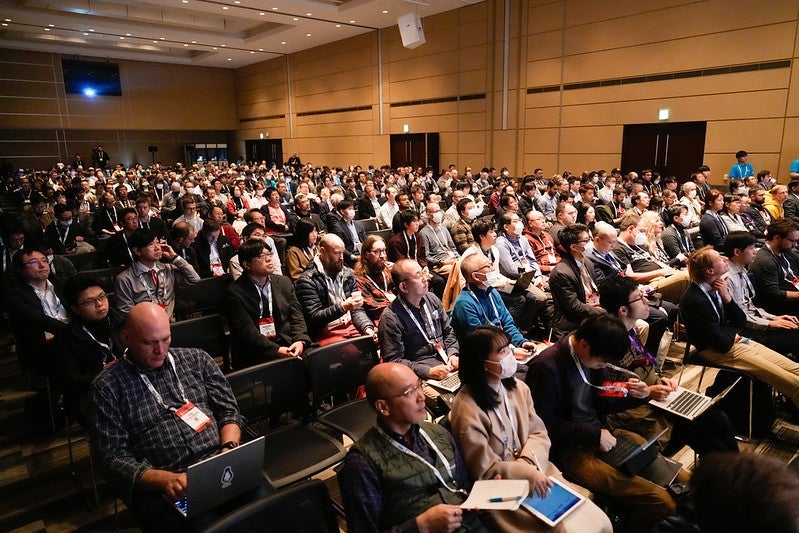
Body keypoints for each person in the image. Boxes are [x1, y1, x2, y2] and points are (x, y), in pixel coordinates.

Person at [89, 302, 251, 531]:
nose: (160, 350)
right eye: (150, 342)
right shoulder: (107, 387)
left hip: (219, 463)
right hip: (165, 482)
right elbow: (112, 457)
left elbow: (229, 411)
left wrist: (229, 449)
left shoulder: (197, 359)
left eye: (166, 339)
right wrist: (166, 480)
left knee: (269, 511)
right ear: (127, 338)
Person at [527, 314, 690, 533]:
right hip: (569, 450)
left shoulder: (592, 355)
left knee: (685, 479)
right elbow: (545, 425)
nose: (603, 365)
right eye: (602, 361)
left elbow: (600, 399)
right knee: (662, 501)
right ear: (583, 344)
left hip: (604, 434)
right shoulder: (546, 366)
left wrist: (636, 395)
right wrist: (594, 434)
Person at [450, 325, 612, 532]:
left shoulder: (517, 387)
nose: (510, 355)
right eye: (501, 351)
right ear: (481, 362)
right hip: (503, 489)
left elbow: (538, 432)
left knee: (600, 522)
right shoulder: (467, 409)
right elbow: (484, 471)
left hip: (537, 468)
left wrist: (528, 464)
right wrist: (523, 471)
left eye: (508, 348)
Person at [338, 362, 487, 533]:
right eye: (410, 392)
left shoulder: (438, 433)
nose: (421, 396)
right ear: (383, 407)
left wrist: (480, 500)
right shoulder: (362, 463)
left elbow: (462, 487)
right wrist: (419, 526)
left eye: (419, 385)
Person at [599, 275, 738, 456]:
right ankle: (733, 477)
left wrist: (660, 379)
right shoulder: (608, 341)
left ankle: (734, 476)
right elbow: (603, 389)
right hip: (634, 407)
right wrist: (649, 392)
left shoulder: (631, 328)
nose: (646, 301)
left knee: (715, 420)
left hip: (653, 392)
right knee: (712, 430)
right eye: (639, 298)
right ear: (623, 310)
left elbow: (639, 365)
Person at [680, 245, 799, 410]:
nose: (725, 258)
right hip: (717, 350)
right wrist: (732, 330)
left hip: (733, 341)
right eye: (719, 259)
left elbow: (740, 321)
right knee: (795, 384)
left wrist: (727, 298)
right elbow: (722, 343)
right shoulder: (694, 300)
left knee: (796, 369)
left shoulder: (719, 286)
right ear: (709, 271)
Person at [378, 259, 459, 406]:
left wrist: (453, 353)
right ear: (403, 286)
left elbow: (448, 332)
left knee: (480, 389)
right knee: (455, 405)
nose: (425, 278)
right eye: (418, 275)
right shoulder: (390, 318)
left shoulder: (432, 299)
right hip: (420, 377)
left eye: (423, 272)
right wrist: (428, 371)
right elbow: (394, 362)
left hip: (448, 366)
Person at [223, 240, 309, 369]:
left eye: (269, 254)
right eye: (261, 257)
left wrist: (299, 340)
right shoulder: (235, 292)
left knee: (317, 361)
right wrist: (277, 350)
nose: (269, 259)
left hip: (288, 341)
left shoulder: (284, 282)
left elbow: (297, 316)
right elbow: (248, 333)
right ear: (247, 265)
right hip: (255, 351)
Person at [56, 274, 124, 421]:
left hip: (127, 383)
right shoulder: (66, 337)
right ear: (75, 308)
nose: (99, 304)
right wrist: (102, 373)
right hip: (90, 393)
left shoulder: (120, 322)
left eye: (102, 297)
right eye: (89, 302)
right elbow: (70, 380)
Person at [451, 253, 536, 364]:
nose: (492, 269)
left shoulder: (492, 292)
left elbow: (507, 323)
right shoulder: (465, 303)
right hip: (480, 357)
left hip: (500, 347)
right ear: (476, 276)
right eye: (488, 266)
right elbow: (480, 342)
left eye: (491, 264)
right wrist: (512, 352)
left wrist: (521, 342)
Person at [724, 231, 799, 355]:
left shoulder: (741, 270)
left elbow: (750, 306)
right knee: (794, 335)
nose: (756, 251)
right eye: (751, 248)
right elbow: (739, 317)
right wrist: (769, 323)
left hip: (755, 319)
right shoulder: (728, 278)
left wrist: (773, 317)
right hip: (743, 329)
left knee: (793, 328)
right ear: (737, 252)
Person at [295, 233, 377, 345]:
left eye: (342, 252)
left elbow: (357, 309)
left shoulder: (347, 273)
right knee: (352, 351)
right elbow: (314, 318)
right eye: (336, 253)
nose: (342, 257)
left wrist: (366, 328)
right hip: (327, 331)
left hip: (351, 325)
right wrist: (343, 307)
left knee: (380, 337)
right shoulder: (307, 280)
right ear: (322, 251)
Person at [5, 247, 71, 382]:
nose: (42, 265)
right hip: (42, 350)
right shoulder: (15, 295)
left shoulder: (61, 284)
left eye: (44, 261)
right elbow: (36, 319)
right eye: (34, 263)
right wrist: (72, 332)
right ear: (20, 270)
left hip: (70, 344)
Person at [114, 229, 200, 319]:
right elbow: (127, 314)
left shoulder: (167, 269)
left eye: (158, 242)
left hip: (171, 323)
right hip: (146, 329)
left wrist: (175, 257)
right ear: (137, 251)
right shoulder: (125, 279)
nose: (157, 248)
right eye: (151, 244)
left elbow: (194, 279)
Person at [549, 223, 605, 338]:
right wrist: (602, 312)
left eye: (590, 239)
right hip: (573, 322)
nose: (591, 243)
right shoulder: (561, 272)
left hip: (593, 311)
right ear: (573, 247)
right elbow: (574, 306)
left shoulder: (588, 262)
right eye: (586, 241)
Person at [750, 218, 799, 316]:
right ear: (777, 238)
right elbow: (774, 294)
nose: (795, 245)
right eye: (792, 241)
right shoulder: (765, 260)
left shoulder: (788, 252)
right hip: (780, 307)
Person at [354, 234, 395, 322]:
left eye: (384, 251)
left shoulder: (388, 271)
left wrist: (398, 272)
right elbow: (373, 308)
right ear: (366, 255)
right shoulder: (359, 279)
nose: (382, 256)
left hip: (396, 314)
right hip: (381, 319)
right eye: (377, 251)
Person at [419, 201, 458, 279]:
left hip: (452, 258)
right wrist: (441, 262)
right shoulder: (423, 233)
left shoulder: (443, 228)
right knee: (456, 270)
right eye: (436, 211)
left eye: (439, 211)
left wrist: (457, 257)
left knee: (468, 266)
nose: (439, 214)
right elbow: (426, 256)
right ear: (428, 215)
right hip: (439, 264)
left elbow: (452, 247)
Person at [326, 199, 365, 267]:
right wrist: (353, 257)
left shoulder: (358, 224)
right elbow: (340, 247)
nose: (352, 211)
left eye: (353, 209)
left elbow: (365, 239)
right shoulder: (337, 227)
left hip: (362, 252)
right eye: (349, 209)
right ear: (342, 211)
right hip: (350, 256)